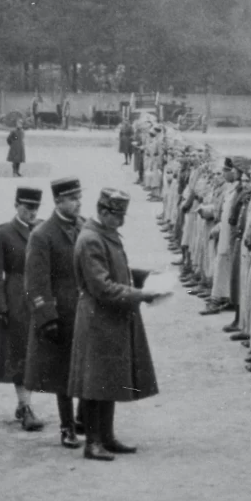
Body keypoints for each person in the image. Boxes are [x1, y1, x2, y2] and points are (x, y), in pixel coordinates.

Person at [69, 187, 167, 461]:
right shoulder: (91, 239)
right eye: (117, 216)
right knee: (94, 383)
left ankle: (106, 436)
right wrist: (141, 295)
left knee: (107, 378)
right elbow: (102, 286)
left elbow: (118, 271)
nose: (121, 221)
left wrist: (146, 276)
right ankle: (93, 442)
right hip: (97, 318)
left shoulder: (104, 235)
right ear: (103, 212)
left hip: (109, 318)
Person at [25, 177, 87, 447]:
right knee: (63, 373)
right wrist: (47, 317)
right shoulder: (43, 235)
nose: (78, 203)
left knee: (87, 367)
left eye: (79, 197)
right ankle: (67, 426)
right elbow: (36, 280)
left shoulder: (84, 227)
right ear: (58, 201)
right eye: (72, 199)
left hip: (85, 311)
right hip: (62, 313)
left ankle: (83, 419)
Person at [0, 187, 44, 431]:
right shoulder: (3, 234)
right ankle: (25, 405)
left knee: (39, 352)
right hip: (16, 299)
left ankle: (26, 404)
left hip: (40, 298)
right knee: (20, 352)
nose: (31, 212)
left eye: (34, 208)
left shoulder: (43, 230)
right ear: (16, 205)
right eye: (26, 207)